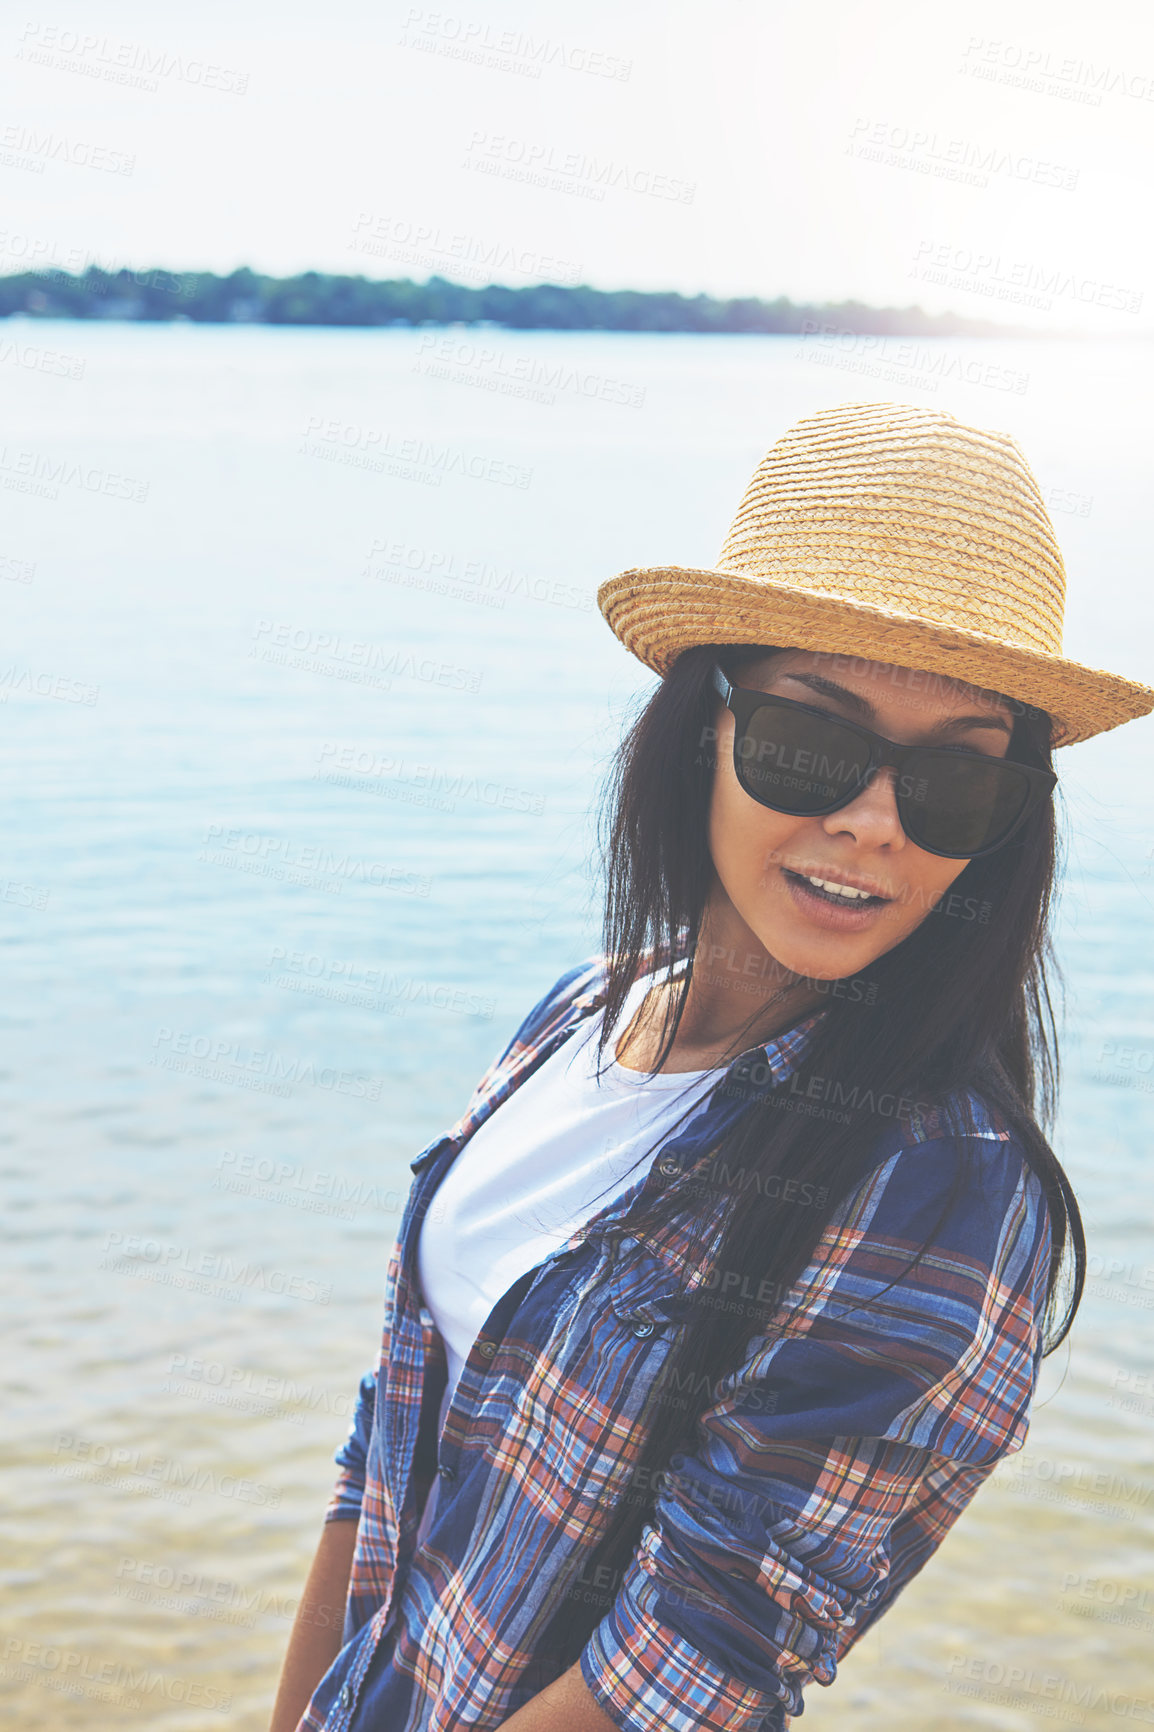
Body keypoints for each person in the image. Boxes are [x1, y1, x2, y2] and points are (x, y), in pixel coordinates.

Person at [269, 402, 1154, 1732]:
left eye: (953, 785)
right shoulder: (576, 1017)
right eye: (811, 744)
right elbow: (383, 1456)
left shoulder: (936, 1192)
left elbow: (687, 1670)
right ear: (701, 731)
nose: (869, 825)